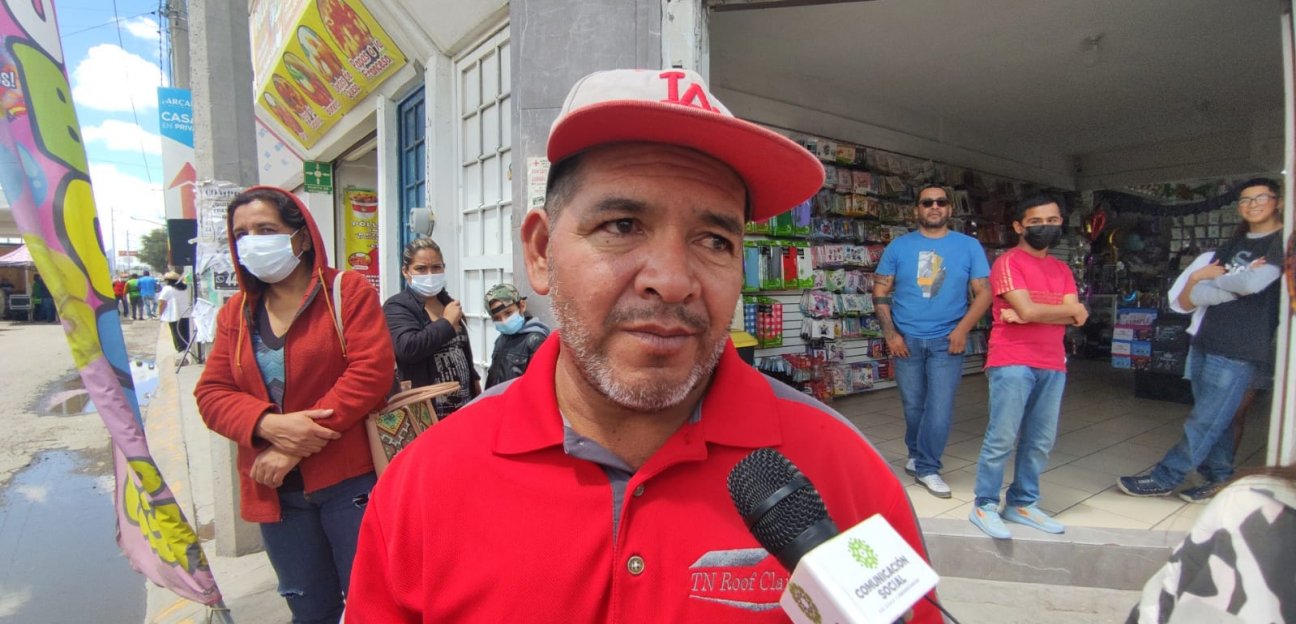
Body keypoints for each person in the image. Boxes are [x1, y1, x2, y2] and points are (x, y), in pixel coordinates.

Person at [347, 68, 940, 623]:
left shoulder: (844, 472)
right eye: (622, 226)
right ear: (540, 252)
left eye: (714, 239)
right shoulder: (428, 481)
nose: (674, 279)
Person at [194, 186, 394, 622]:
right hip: (276, 494)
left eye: (266, 229)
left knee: (373, 601)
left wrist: (293, 446)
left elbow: (371, 372)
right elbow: (211, 394)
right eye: (241, 233)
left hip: (349, 484)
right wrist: (266, 425)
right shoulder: (236, 313)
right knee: (308, 607)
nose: (252, 241)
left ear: (301, 237)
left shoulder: (347, 291)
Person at [1119, 179, 1285, 502]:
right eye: (1245, 200)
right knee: (1216, 417)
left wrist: (1222, 284)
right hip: (1206, 339)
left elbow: (1255, 285)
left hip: (1241, 346)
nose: (1252, 204)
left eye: (1260, 198)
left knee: (1206, 418)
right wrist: (1233, 282)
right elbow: (1196, 293)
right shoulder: (1234, 242)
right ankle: (1219, 478)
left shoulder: (1279, 243)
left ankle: (1166, 476)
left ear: (1277, 202)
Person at [968, 195, 1087, 540]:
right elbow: (1044, 310)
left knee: (1040, 440)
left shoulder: (1062, 269)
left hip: (1052, 361)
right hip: (1012, 359)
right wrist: (1036, 312)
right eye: (1037, 222)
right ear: (1019, 227)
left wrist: (1030, 312)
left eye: (1053, 220)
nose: (1046, 227)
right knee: (1002, 436)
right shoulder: (1008, 262)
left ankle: (1022, 503)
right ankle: (985, 504)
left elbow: (1076, 315)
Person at [874, 184, 992, 498]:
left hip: (946, 342)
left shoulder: (968, 246)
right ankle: (915, 454)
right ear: (917, 210)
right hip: (907, 340)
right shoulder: (899, 247)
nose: (934, 207)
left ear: (950, 209)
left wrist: (962, 330)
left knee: (939, 409)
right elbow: (880, 292)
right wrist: (891, 334)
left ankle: (928, 467)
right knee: (913, 407)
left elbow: (984, 293)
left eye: (941, 202)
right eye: (928, 202)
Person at [1127, 466, 1296, 623]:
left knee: (1206, 432)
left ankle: (1170, 477)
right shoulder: (1251, 503)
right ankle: (1209, 476)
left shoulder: (1251, 503)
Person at [382, 237, 480, 416]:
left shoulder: (448, 303)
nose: (429, 274)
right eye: (420, 268)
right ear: (406, 271)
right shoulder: (397, 306)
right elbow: (407, 348)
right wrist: (446, 323)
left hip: (463, 408)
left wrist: (475, 385)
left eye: (436, 267)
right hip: (426, 412)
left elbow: (463, 350)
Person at [483, 282, 551, 388]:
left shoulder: (535, 340)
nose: (504, 321)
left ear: (522, 306)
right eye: (497, 318)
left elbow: (540, 385)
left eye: (508, 313)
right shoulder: (501, 339)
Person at [156, 271, 192, 353]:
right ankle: (187, 348)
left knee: (176, 332)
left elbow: (162, 303)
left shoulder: (167, 288)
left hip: (174, 314)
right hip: (186, 313)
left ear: (168, 280)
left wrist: (160, 313)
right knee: (185, 331)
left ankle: (180, 349)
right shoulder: (185, 287)